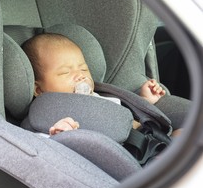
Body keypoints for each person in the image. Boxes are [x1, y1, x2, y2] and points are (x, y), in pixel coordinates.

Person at [21, 33, 174, 136]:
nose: (80, 75)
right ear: (39, 89)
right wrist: (59, 135)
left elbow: (124, 114)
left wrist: (145, 102)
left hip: (148, 137)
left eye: (83, 68)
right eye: (65, 72)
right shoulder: (46, 115)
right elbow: (43, 147)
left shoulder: (97, 96)